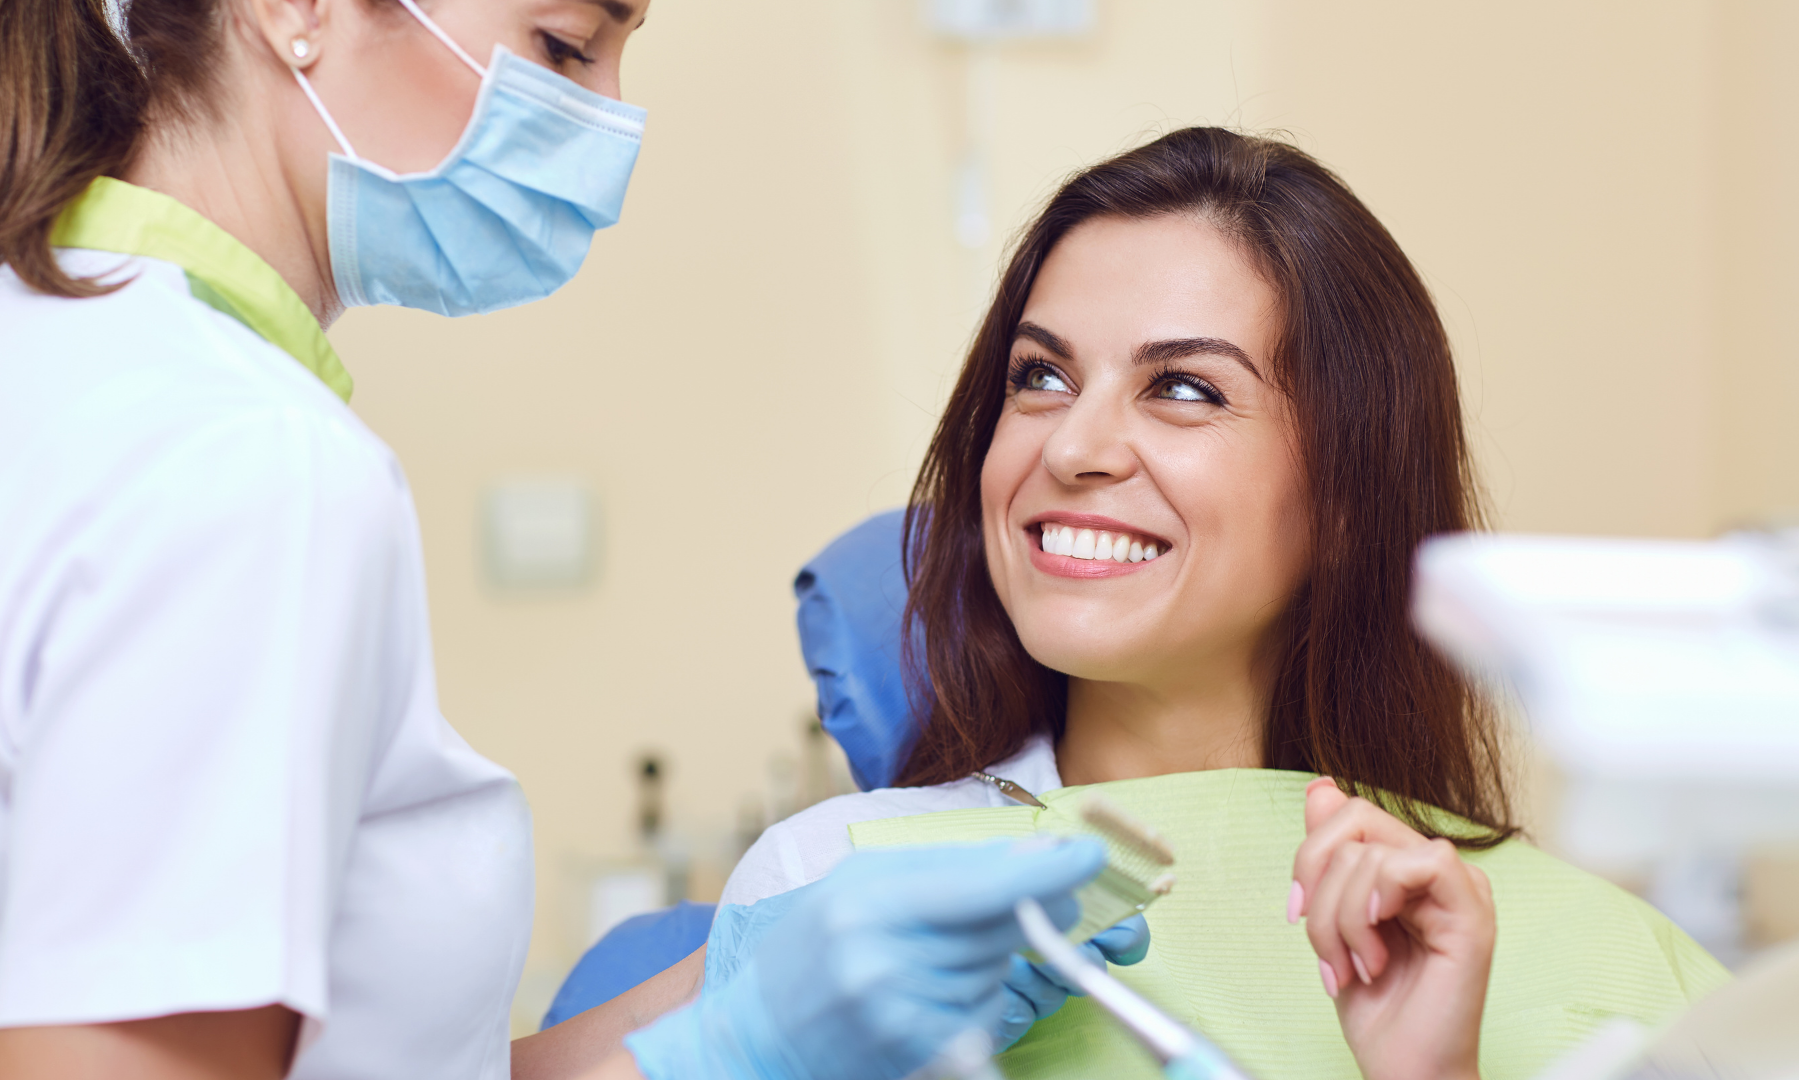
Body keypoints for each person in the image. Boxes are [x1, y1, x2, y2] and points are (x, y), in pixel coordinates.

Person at [0, 1, 1133, 1078]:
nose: (611, 133)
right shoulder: (249, 469)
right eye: (567, 45)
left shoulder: (18, 357)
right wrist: (737, 1053)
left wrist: (733, 980)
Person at [717, 127, 1731, 1080]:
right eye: (1041, 376)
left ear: (1346, 497)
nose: (1071, 448)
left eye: (1186, 390)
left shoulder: (1607, 971)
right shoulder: (826, 893)